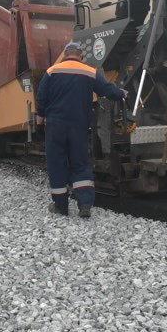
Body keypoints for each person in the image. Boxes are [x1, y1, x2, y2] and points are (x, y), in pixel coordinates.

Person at [36, 42, 126, 217]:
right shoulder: (89, 71)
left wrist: (40, 121)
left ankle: (61, 206)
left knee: (56, 164)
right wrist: (121, 93)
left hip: (55, 126)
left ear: (65, 55)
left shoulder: (51, 71)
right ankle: (84, 205)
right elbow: (107, 89)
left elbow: (41, 98)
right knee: (80, 163)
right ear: (81, 56)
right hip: (78, 126)